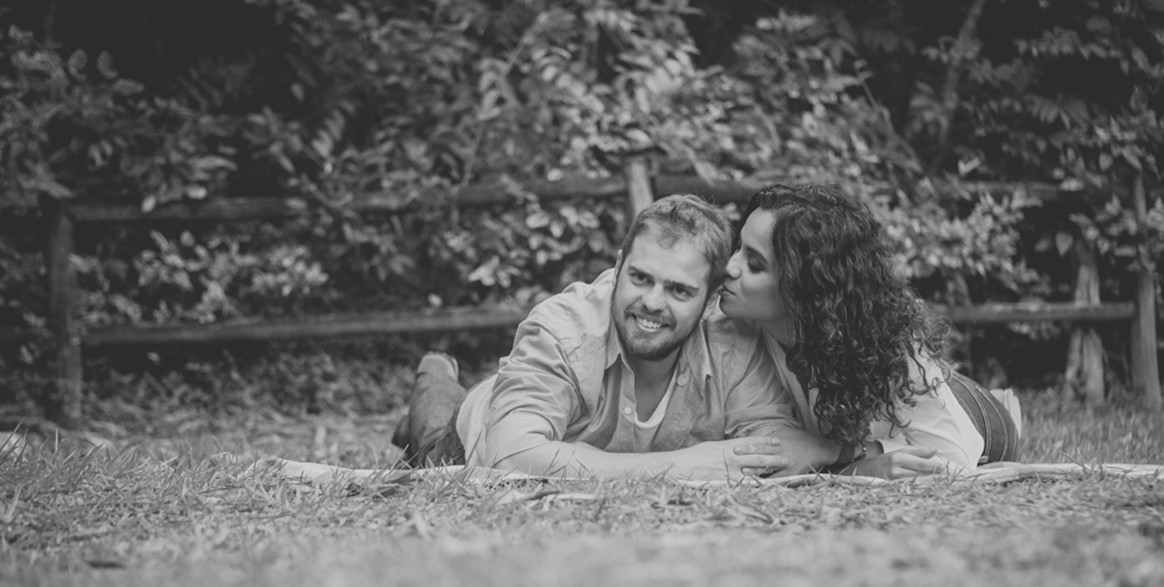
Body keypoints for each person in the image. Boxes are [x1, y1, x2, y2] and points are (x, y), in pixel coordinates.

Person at [395, 194, 833, 480]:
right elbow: (512, 458)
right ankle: (433, 374)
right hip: (474, 433)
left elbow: (772, 447)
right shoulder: (563, 329)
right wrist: (685, 465)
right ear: (619, 263)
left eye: (679, 290)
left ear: (711, 298)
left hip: (549, 417)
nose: (652, 303)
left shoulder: (733, 343)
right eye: (640, 278)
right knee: (432, 434)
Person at [719, 183, 1022, 479]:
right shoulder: (729, 323)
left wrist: (834, 455)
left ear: (804, 288)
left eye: (755, 264)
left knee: (970, 414)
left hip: (977, 418)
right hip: (898, 420)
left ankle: (1000, 402)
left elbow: (951, 463)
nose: (729, 267)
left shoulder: (887, 340)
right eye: (738, 248)